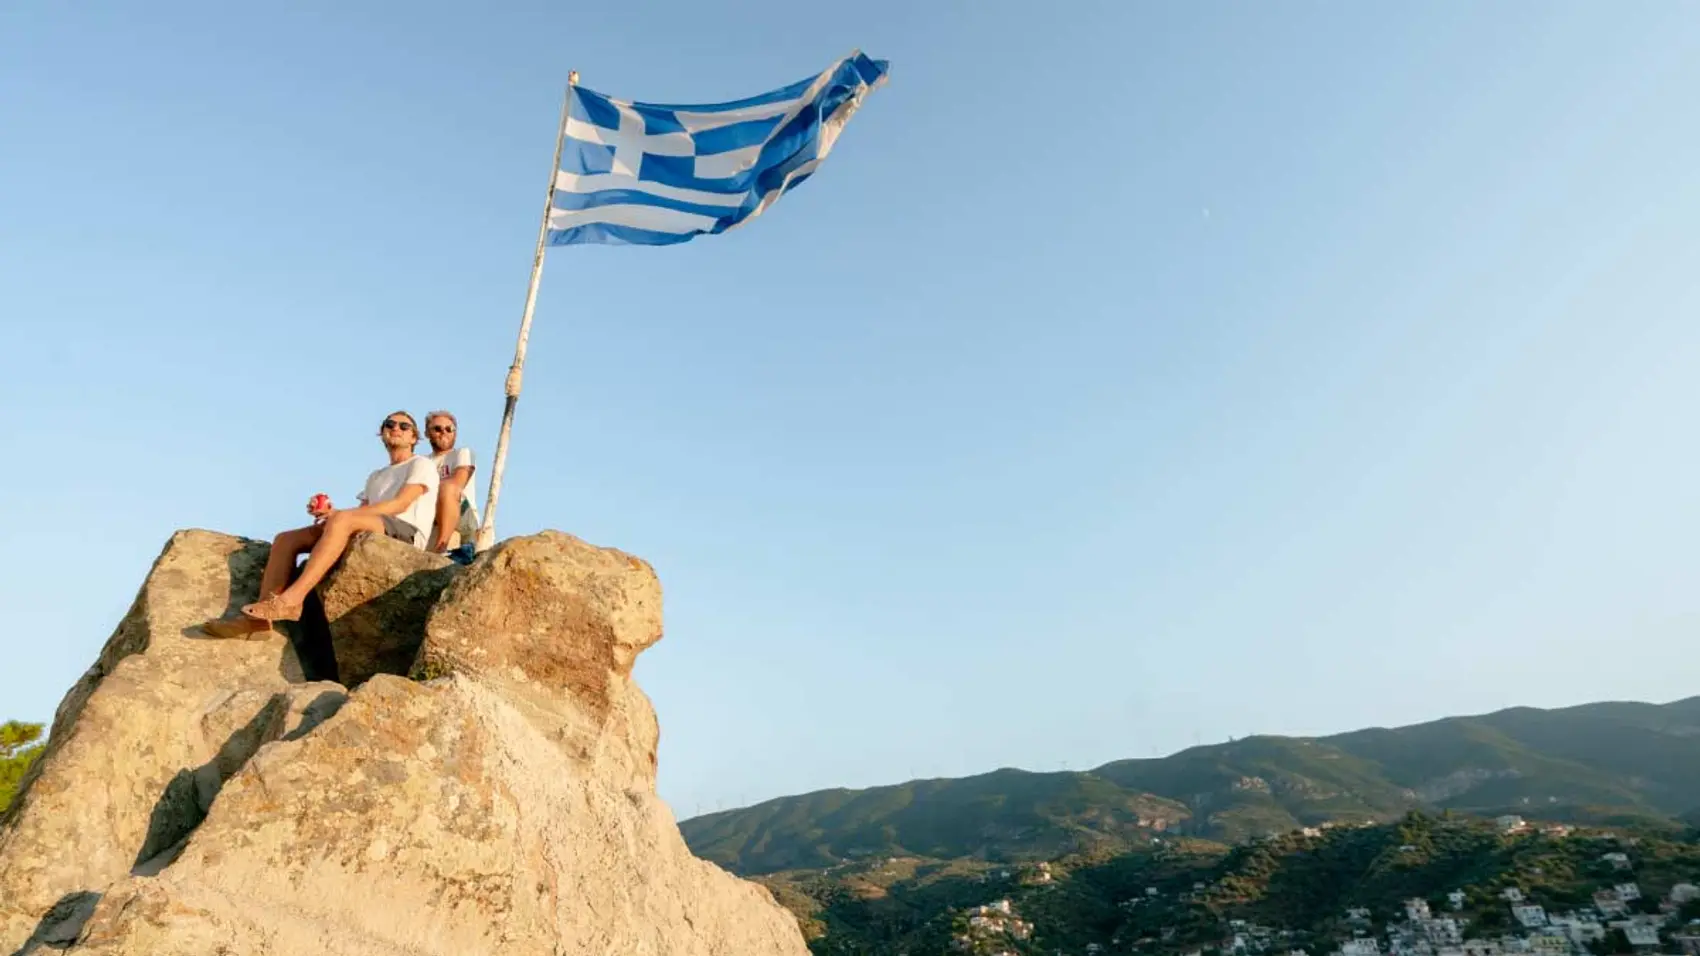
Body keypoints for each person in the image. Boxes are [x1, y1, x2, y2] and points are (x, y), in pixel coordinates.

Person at [201, 411, 440, 638]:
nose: (396, 428)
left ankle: (292, 601)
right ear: (382, 433)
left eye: (404, 426)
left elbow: (399, 504)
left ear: (413, 437)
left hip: (406, 530)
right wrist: (330, 513)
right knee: (287, 539)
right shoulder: (376, 476)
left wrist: (341, 515)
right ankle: (260, 619)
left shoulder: (420, 465)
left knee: (342, 519)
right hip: (373, 524)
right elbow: (361, 512)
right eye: (390, 424)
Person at [423, 410, 479, 565]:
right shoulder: (422, 462)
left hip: (461, 512)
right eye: (437, 429)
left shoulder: (462, 453)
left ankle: (442, 547)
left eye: (449, 429)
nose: (444, 432)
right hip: (430, 512)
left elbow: (459, 481)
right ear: (427, 433)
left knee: (448, 487)